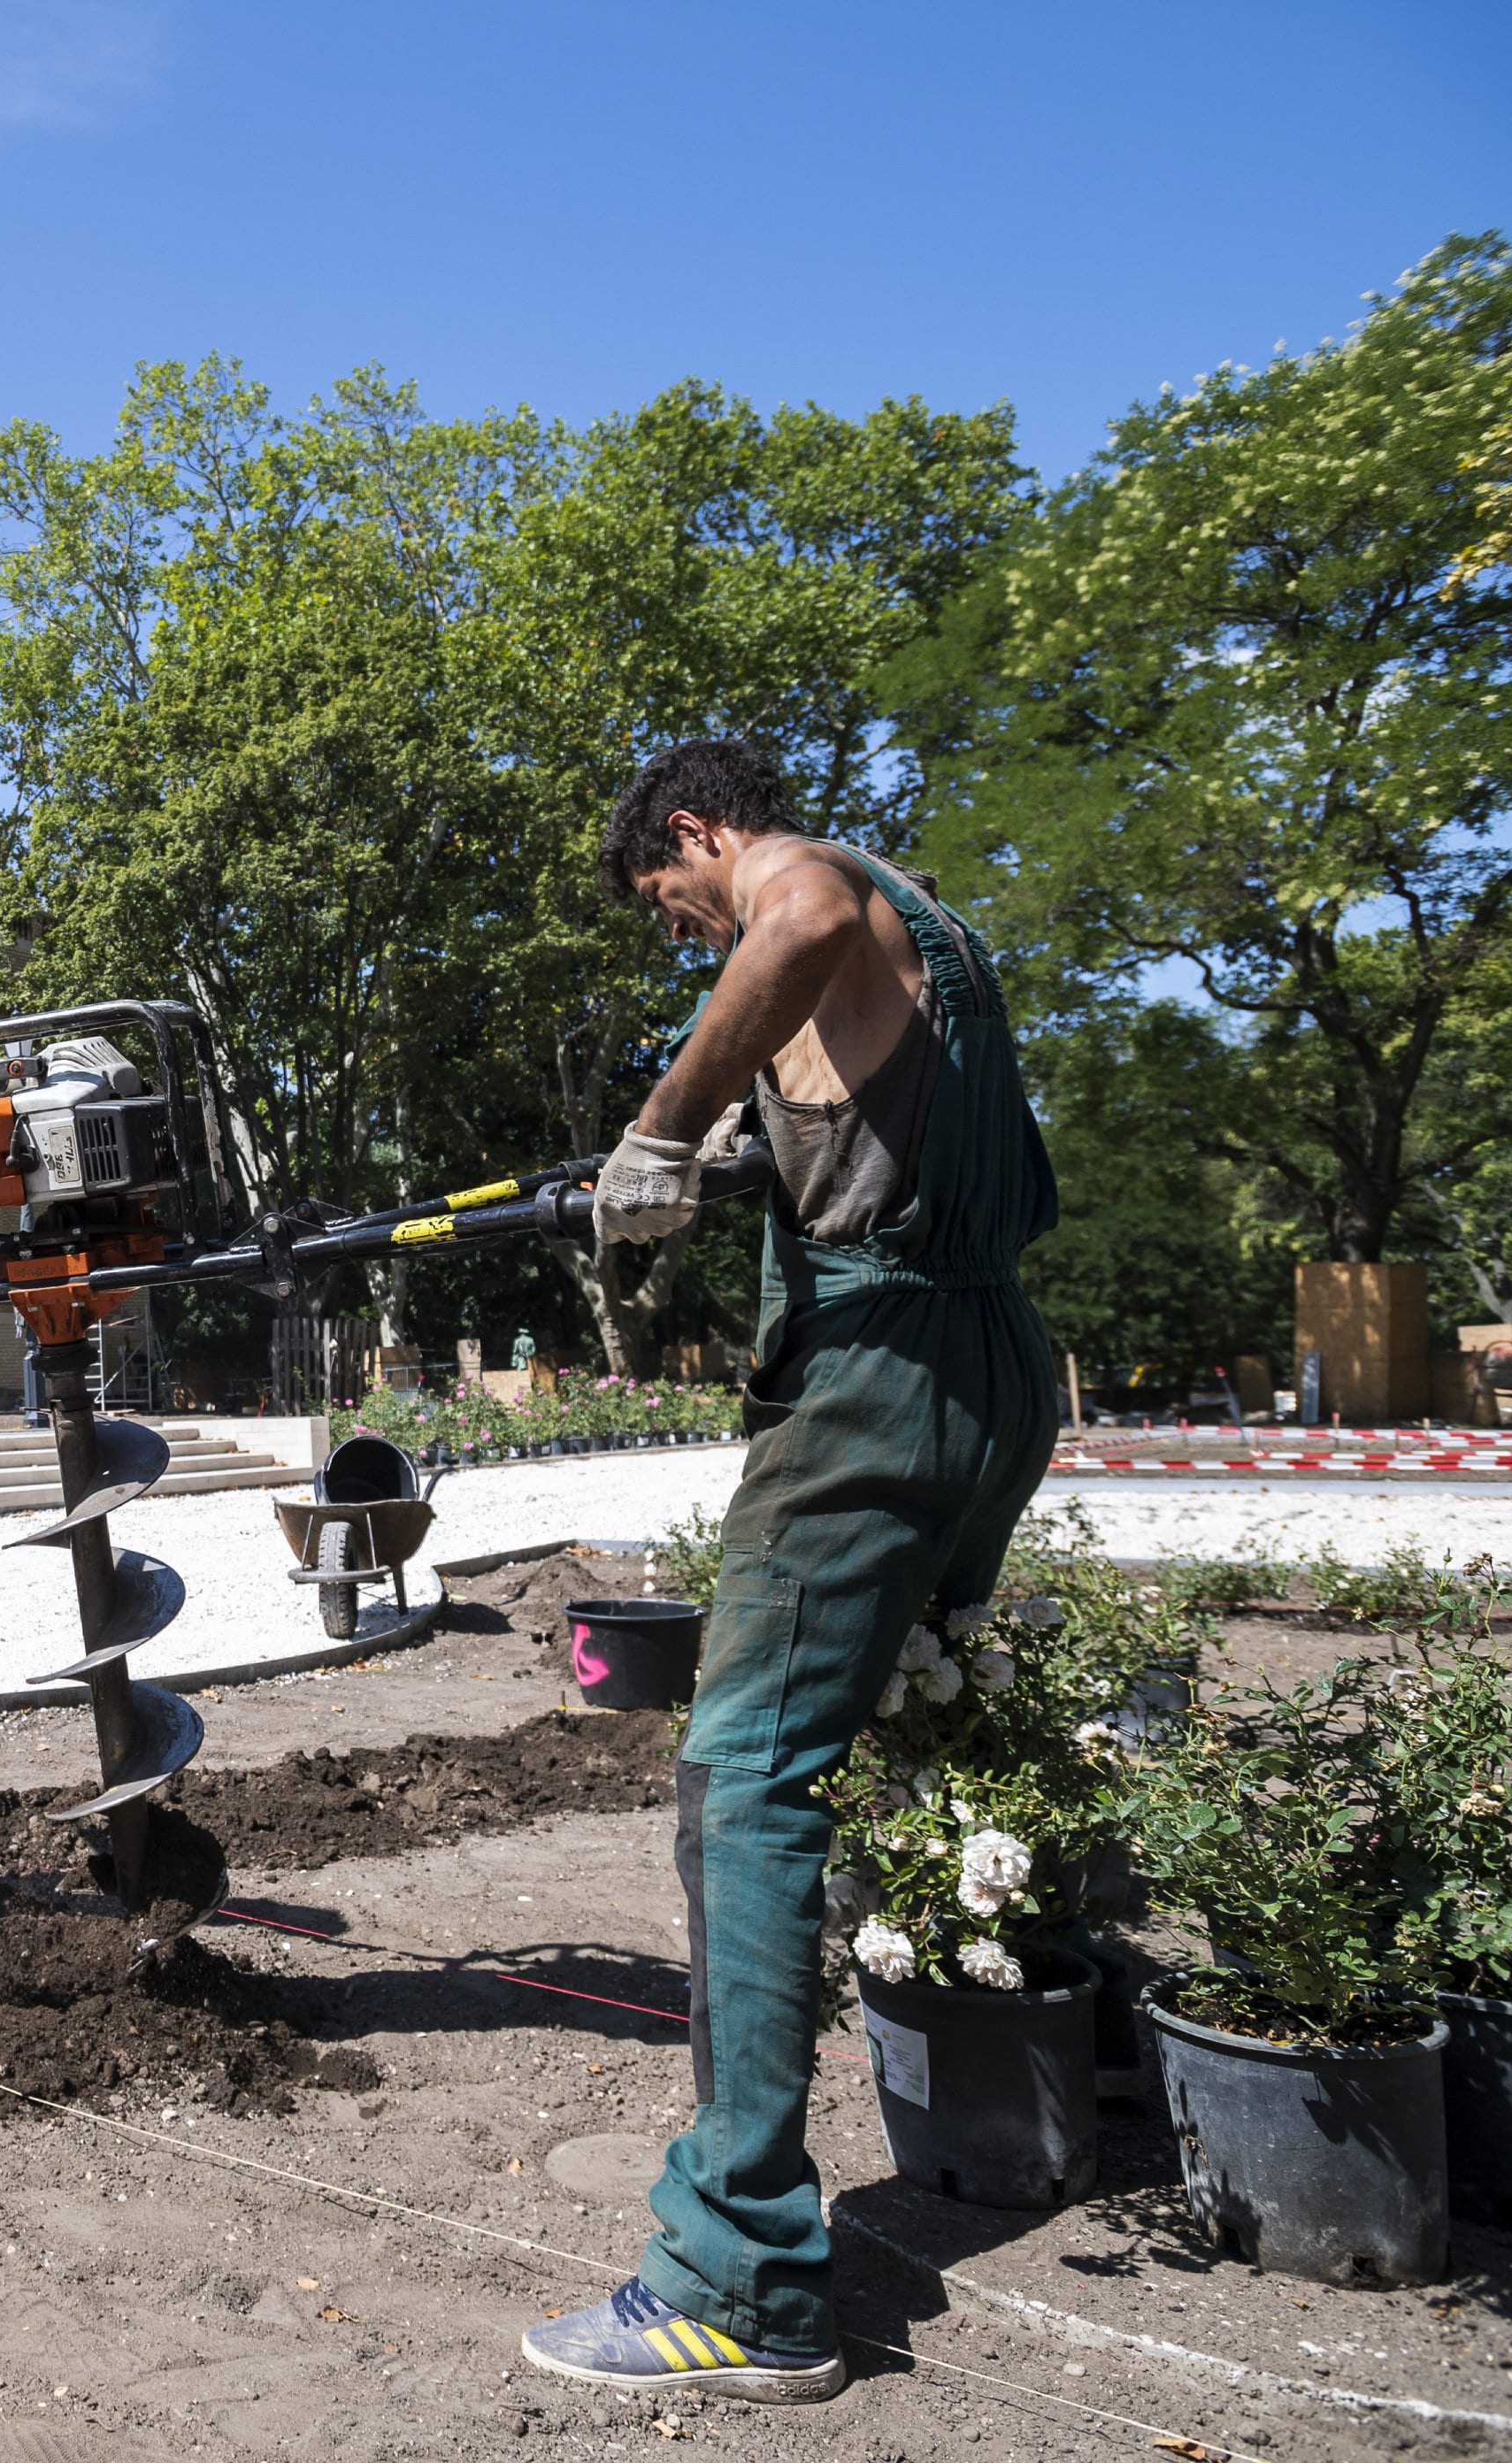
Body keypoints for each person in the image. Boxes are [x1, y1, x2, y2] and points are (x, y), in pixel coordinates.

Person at [518, 740, 1058, 2405]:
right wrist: (760, 1149)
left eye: (674, 905)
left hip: (878, 1389)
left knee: (743, 1780)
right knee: (928, 1716)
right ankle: (1037, 2090)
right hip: (997, 1372)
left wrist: (663, 1126)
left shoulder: (802, 886)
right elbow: (899, 1128)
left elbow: (791, 910)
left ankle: (740, 2277)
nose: (691, 935)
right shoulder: (941, 929)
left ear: (694, 833)